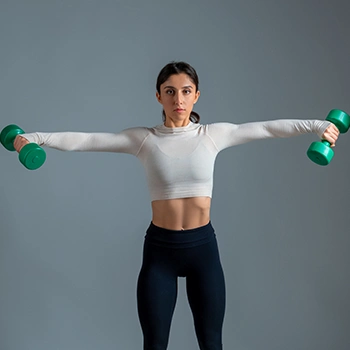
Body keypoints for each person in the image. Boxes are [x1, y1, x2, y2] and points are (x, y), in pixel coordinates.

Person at [13, 61, 339, 350]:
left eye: (186, 91)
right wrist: (31, 137)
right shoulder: (144, 139)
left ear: (197, 95)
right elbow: (85, 140)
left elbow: (266, 128)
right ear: (158, 96)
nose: (178, 100)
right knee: (154, 344)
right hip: (160, 253)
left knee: (212, 344)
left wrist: (318, 126)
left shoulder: (213, 135)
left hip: (203, 251)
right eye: (170, 92)